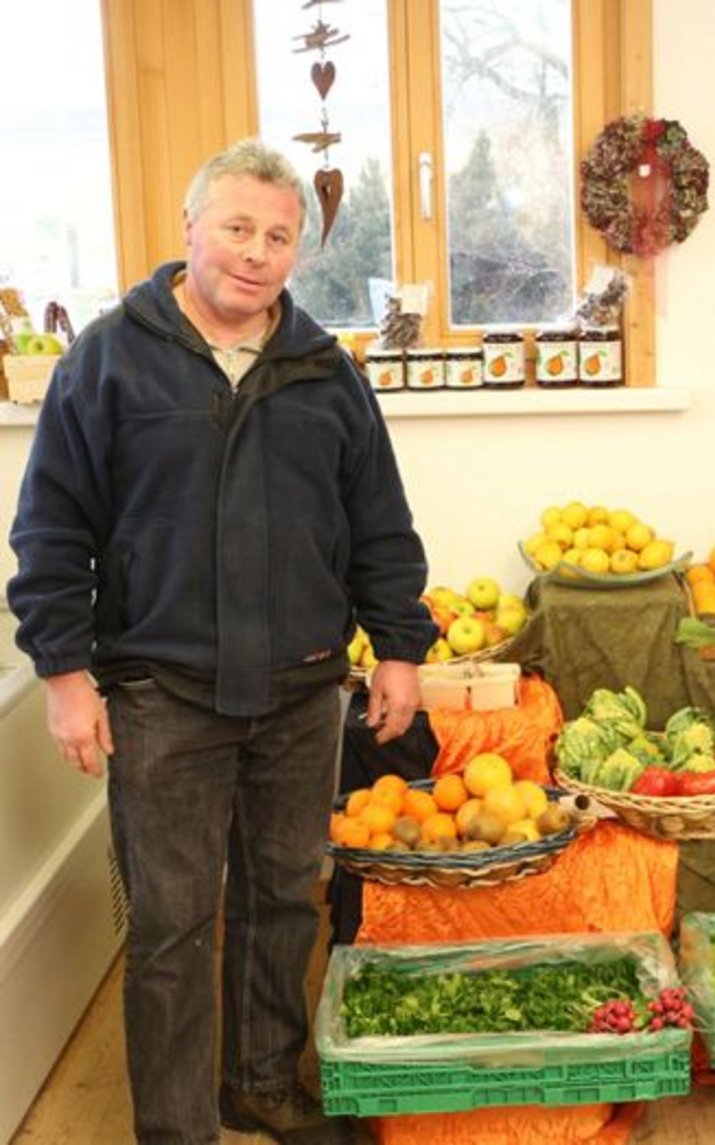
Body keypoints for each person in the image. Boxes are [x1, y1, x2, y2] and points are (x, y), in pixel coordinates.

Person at [7, 138, 437, 1144]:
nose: (255, 252)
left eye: (279, 236)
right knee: (170, 924)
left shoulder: (327, 373)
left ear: (299, 251)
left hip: (301, 689)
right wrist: (66, 675)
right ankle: (175, 1125)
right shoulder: (107, 359)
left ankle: (258, 1082)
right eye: (237, 227)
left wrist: (401, 650)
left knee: (287, 897)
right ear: (191, 227)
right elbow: (51, 528)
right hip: (161, 691)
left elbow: (379, 521)